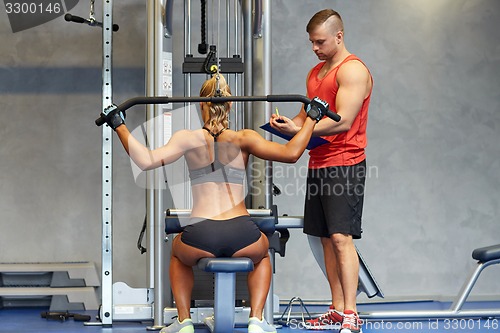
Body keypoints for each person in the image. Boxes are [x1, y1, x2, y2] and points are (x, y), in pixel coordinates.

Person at [101, 74, 328, 333]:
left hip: (201, 233)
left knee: (177, 254)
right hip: (242, 232)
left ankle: (184, 321)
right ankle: (256, 320)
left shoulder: (187, 138)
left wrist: (118, 125)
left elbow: (146, 160)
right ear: (230, 105)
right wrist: (312, 117)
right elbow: (291, 154)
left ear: (201, 105)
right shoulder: (245, 138)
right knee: (263, 255)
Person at [270, 8, 373, 333]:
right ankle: (336, 308)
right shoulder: (315, 72)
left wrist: (302, 132)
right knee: (325, 239)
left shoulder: (353, 70)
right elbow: (306, 119)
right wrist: (289, 126)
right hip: (319, 163)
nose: (315, 48)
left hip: (346, 163)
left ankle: (351, 315)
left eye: (320, 42)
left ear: (339, 37)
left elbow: (342, 120)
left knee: (341, 238)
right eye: (312, 43)